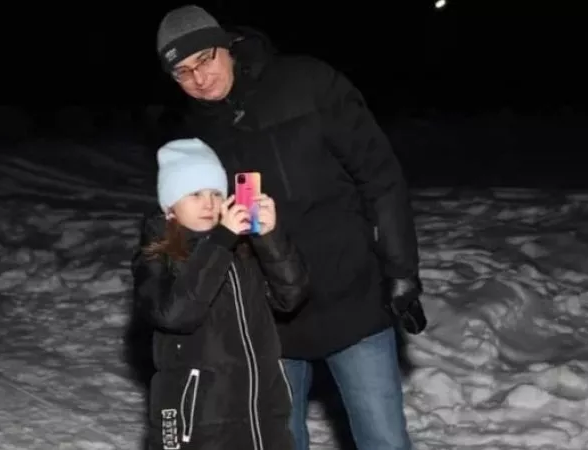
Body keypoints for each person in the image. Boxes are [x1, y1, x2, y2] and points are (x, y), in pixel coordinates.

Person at [151, 6, 428, 450]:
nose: (199, 79)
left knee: (384, 439)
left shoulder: (308, 83)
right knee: (279, 441)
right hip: (270, 319)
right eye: (183, 72)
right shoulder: (193, 133)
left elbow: (380, 176)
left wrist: (400, 268)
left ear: (226, 45)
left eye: (205, 59)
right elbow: (188, 223)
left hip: (351, 295)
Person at [132, 138, 309, 450]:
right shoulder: (157, 257)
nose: (209, 204)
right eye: (195, 194)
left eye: (216, 193)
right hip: (197, 424)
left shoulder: (241, 250)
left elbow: (291, 295)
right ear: (170, 206)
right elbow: (175, 314)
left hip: (262, 417)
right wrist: (221, 241)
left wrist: (270, 238)